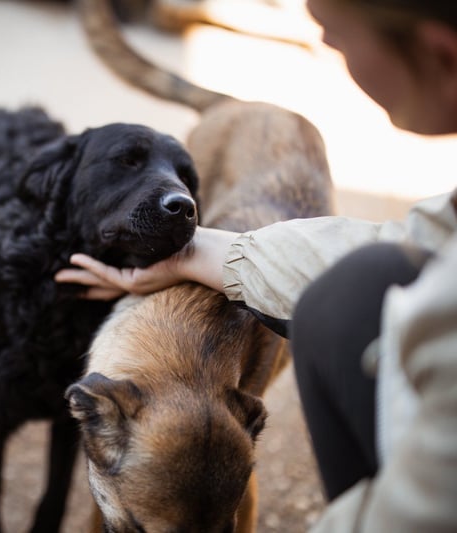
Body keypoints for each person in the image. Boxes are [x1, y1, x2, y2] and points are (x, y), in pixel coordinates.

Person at [55, 0, 457, 531]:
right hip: (238, 154)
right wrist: (190, 251)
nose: (323, 43)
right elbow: (422, 238)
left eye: (333, 30)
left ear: (441, 54)